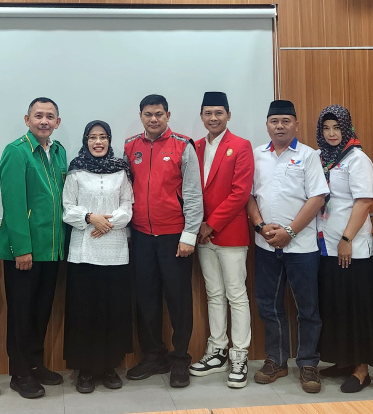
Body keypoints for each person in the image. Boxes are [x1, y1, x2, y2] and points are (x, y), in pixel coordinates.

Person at [246, 99, 328, 394]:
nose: (279, 126)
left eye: (285, 121)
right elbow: (248, 196)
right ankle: (277, 360)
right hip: (266, 244)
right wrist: (260, 226)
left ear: (296, 124)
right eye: (274, 121)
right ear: (267, 125)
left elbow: (317, 198)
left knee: (307, 308)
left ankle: (308, 363)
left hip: (302, 246)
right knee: (269, 305)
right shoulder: (256, 155)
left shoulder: (309, 156)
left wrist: (290, 231)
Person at [123, 94, 203, 388]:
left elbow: (193, 194)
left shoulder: (183, 145)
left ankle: (180, 359)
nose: (154, 119)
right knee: (146, 299)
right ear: (141, 116)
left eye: (159, 114)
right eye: (148, 114)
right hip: (141, 236)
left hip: (174, 238)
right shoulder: (130, 146)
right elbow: (125, 192)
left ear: (168, 115)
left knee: (178, 300)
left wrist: (189, 235)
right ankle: (153, 356)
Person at [313, 105, 373, 394]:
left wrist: (347, 239)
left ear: (347, 129)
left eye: (337, 128)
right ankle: (343, 360)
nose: (331, 133)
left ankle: (361, 369)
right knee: (335, 305)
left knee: (357, 307)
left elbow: (364, 201)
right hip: (325, 245)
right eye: (326, 128)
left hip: (352, 248)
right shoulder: (321, 158)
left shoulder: (357, 159)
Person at [0, 97, 68, 399]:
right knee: (22, 313)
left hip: (51, 249)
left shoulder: (59, 152)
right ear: (27, 120)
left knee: (41, 311)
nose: (44, 121)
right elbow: (13, 205)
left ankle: (36, 365)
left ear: (57, 122)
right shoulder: (16, 152)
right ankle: (20, 372)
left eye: (50, 116)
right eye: (38, 115)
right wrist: (22, 249)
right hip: (25, 252)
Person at [188, 92, 254, 388]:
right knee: (214, 294)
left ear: (228, 115)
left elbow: (240, 193)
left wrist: (210, 225)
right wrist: (197, 227)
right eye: (208, 113)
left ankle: (240, 355)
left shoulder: (240, 145)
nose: (213, 118)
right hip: (202, 235)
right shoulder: (195, 146)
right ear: (201, 116)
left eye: (218, 112)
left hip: (230, 233)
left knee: (236, 295)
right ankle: (217, 351)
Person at [62, 120, 134, 394]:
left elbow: (128, 204)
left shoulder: (121, 170)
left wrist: (109, 223)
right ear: (86, 141)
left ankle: (109, 367)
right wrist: (91, 217)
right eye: (92, 137)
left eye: (103, 137)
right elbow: (67, 208)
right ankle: (85, 369)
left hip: (115, 251)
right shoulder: (76, 170)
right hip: (83, 251)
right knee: (85, 312)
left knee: (113, 311)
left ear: (109, 140)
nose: (98, 142)